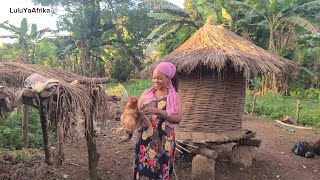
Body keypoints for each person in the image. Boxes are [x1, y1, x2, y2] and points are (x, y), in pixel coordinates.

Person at [133, 62, 182, 180]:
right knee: (143, 169)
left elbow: (178, 118)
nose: (156, 81)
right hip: (144, 139)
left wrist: (159, 111)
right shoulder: (146, 93)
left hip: (163, 140)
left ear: (168, 78)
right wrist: (132, 110)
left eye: (159, 78)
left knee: (161, 170)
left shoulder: (174, 96)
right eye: (154, 78)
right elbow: (138, 112)